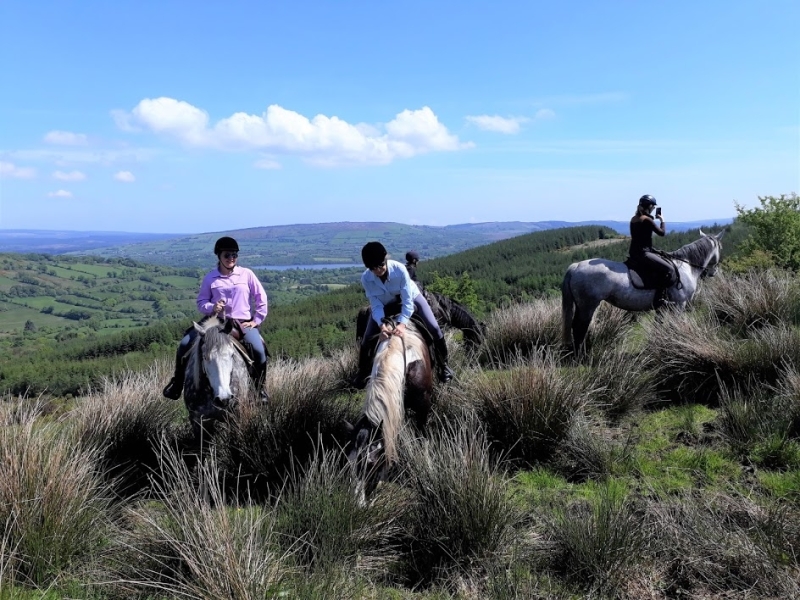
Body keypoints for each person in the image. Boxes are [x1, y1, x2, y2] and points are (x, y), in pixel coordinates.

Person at [163, 236, 270, 400]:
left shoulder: (247, 274)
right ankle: (177, 384)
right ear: (219, 256)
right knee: (184, 344)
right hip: (215, 321)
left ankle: (259, 390)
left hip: (242, 323)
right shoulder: (210, 278)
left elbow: (261, 298)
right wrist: (212, 307)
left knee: (259, 351)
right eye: (227, 255)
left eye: (234, 255)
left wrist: (256, 320)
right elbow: (201, 302)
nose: (231, 258)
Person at [353, 241, 454, 388]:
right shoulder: (366, 278)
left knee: (434, 328)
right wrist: (381, 325)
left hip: (411, 298)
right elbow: (376, 304)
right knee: (367, 338)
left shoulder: (399, 270)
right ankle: (362, 372)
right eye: (372, 268)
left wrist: (402, 323)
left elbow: (407, 301)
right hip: (386, 305)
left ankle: (444, 366)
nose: (378, 270)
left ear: (385, 259)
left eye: (380, 265)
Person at [629, 194, 676, 309]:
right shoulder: (647, 220)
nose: (653, 209)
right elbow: (662, 233)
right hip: (643, 254)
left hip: (634, 253)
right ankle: (660, 299)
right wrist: (662, 220)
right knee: (669, 270)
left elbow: (640, 239)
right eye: (653, 207)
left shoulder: (633, 219)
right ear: (649, 206)